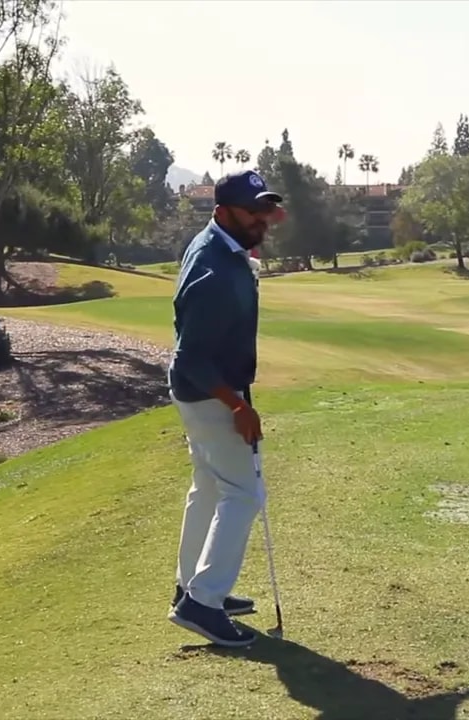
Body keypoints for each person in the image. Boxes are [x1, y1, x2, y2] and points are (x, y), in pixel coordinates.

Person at [166, 170, 285, 647]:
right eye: (253, 211)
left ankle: (190, 585)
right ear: (223, 214)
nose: (263, 219)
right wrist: (237, 405)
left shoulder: (222, 248)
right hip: (210, 393)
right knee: (244, 493)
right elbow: (191, 357)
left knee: (210, 488)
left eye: (265, 209)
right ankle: (203, 602)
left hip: (201, 391)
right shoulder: (215, 270)